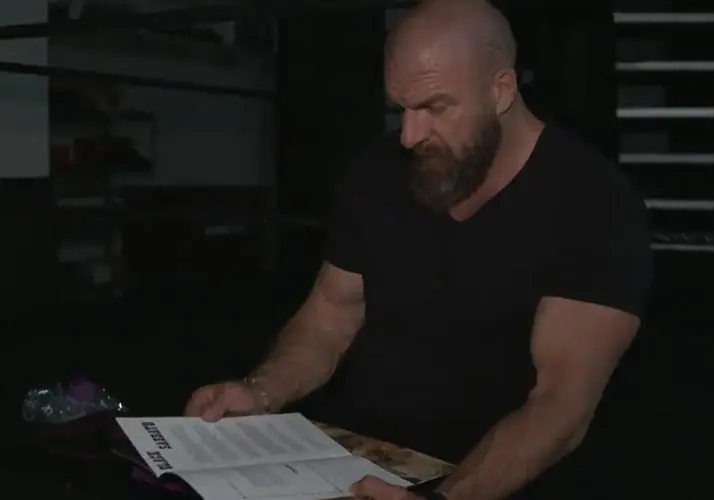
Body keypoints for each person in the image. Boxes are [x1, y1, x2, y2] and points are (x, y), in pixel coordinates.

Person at [186, 0, 652, 498]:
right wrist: (261, 392)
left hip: (493, 480)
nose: (409, 135)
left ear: (500, 90)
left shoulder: (593, 202)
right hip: (360, 459)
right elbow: (329, 316)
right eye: (401, 109)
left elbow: (560, 405)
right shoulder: (376, 172)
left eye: (435, 108)